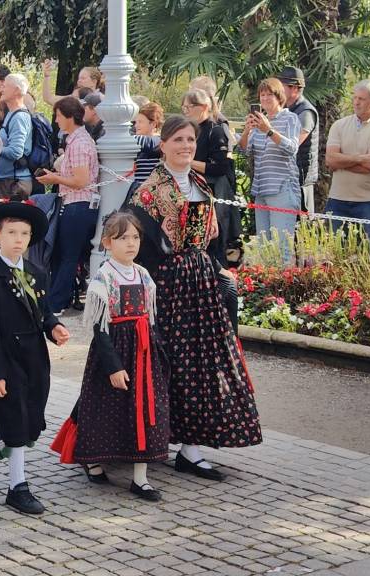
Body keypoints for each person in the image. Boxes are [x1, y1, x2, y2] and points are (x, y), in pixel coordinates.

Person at [128, 115, 262, 479]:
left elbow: (212, 238)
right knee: (166, 363)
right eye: (178, 140)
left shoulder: (201, 183)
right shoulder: (149, 190)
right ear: (163, 145)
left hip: (200, 281)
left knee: (201, 366)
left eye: (190, 140)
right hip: (167, 284)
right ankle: (144, 439)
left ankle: (190, 447)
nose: (186, 146)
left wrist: (218, 269)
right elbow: (136, 245)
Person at [51, 211, 170, 502]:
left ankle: (140, 478)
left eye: (135, 237)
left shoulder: (143, 274)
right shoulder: (103, 277)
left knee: (144, 408)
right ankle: (93, 459)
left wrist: (158, 353)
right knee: (104, 408)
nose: (131, 243)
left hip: (142, 351)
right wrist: (113, 367)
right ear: (107, 242)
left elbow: (151, 319)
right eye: (122, 238)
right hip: (115, 349)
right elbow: (100, 329)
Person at [0, 200, 69, 514]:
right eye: (11, 232)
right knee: (15, 421)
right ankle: (18, 486)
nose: (18, 239)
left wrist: (53, 327)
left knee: (32, 424)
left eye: (24, 233)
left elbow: (42, 313)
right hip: (6, 356)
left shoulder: (38, 273)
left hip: (35, 357)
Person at [38, 96, 100, 315]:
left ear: (69, 117)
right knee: (65, 253)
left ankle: (56, 304)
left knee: (68, 255)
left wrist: (55, 180)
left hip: (79, 204)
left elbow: (81, 181)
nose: (55, 120)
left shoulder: (80, 142)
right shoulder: (76, 140)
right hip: (75, 203)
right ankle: (58, 300)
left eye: (58, 116)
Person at [237, 78, 301, 265]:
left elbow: (291, 148)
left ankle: (285, 290)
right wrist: (247, 130)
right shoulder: (259, 122)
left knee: (282, 247)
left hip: (282, 188)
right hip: (261, 189)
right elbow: (244, 151)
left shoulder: (290, 118)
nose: (264, 98)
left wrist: (269, 130)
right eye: (262, 95)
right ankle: (266, 289)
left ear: (279, 96)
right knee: (264, 247)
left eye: (269, 94)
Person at [177, 89, 238, 267]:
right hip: (192, 189)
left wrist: (188, 162)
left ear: (203, 107)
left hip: (212, 192)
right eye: (184, 107)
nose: (186, 111)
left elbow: (220, 167)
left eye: (189, 107)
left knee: (213, 240)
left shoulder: (216, 131)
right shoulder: (191, 131)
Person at [326, 79, 370, 242]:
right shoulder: (339, 125)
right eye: (355, 97)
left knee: (367, 257)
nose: (356, 102)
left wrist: (341, 162)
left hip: (368, 203)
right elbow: (330, 160)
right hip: (337, 200)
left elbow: (369, 167)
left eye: (362, 99)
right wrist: (360, 158)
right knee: (334, 255)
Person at [278, 67, 320, 213]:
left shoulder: (305, 112)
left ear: (294, 89)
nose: (277, 90)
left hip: (300, 182)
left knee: (300, 230)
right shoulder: (282, 109)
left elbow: (292, 143)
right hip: (283, 181)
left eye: (280, 86)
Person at [0, 74, 34, 199]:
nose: (1, 89)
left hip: (13, 184)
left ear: (17, 90)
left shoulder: (19, 117)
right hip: (7, 181)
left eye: (5, 86)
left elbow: (16, 152)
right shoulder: (12, 113)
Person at [130, 102, 163, 190]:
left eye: (140, 122)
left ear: (153, 124)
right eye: (136, 122)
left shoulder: (159, 141)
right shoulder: (137, 143)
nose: (136, 126)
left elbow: (148, 143)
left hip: (153, 194)